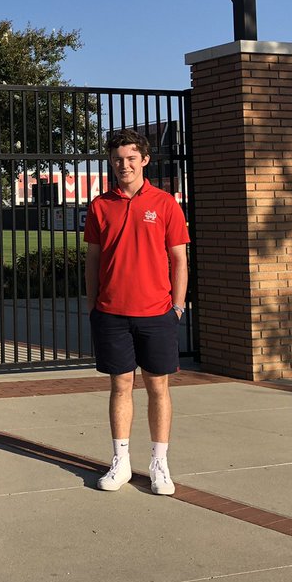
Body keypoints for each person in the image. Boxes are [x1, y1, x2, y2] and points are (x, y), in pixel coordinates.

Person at [83, 129, 189, 495]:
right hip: (111, 313)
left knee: (158, 387)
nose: (123, 165)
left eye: (131, 158)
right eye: (117, 159)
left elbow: (179, 260)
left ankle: (159, 464)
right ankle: (121, 461)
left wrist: (177, 306)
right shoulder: (100, 205)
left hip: (157, 313)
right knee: (120, 385)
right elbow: (93, 259)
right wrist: (93, 305)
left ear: (144, 160)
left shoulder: (165, 203)